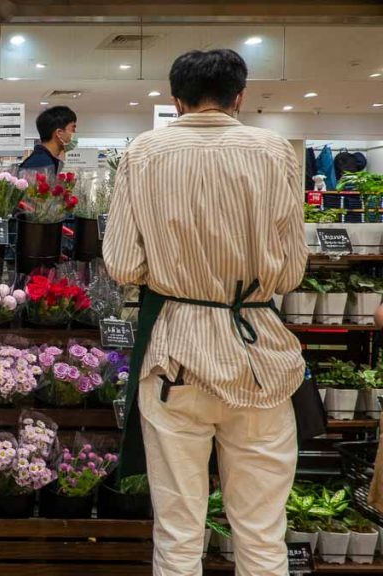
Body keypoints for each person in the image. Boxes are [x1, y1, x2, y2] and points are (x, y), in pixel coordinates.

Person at [104, 49, 307, 576]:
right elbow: (289, 275)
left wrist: (177, 272)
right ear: (240, 97)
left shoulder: (144, 152)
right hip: (260, 358)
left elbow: (124, 263)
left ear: (176, 101)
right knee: (263, 535)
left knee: (178, 533)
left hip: (176, 357)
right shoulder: (276, 151)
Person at [19, 105, 76, 172]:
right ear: (59, 133)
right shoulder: (41, 165)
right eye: (73, 129)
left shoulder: (45, 161)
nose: (75, 133)